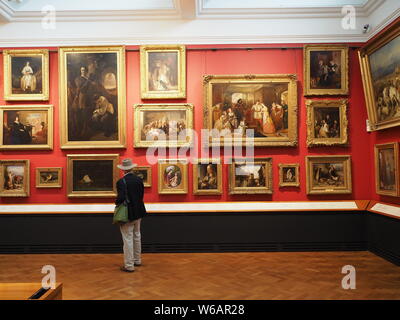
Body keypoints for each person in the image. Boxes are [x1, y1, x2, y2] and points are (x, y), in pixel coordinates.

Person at [116, 158, 147, 273]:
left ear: (123, 170)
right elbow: (141, 196)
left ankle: (129, 265)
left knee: (127, 238)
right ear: (132, 168)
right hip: (139, 212)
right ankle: (137, 260)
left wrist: (116, 203)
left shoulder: (121, 182)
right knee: (137, 235)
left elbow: (121, 198)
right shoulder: (139, 180)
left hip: (127, 213)